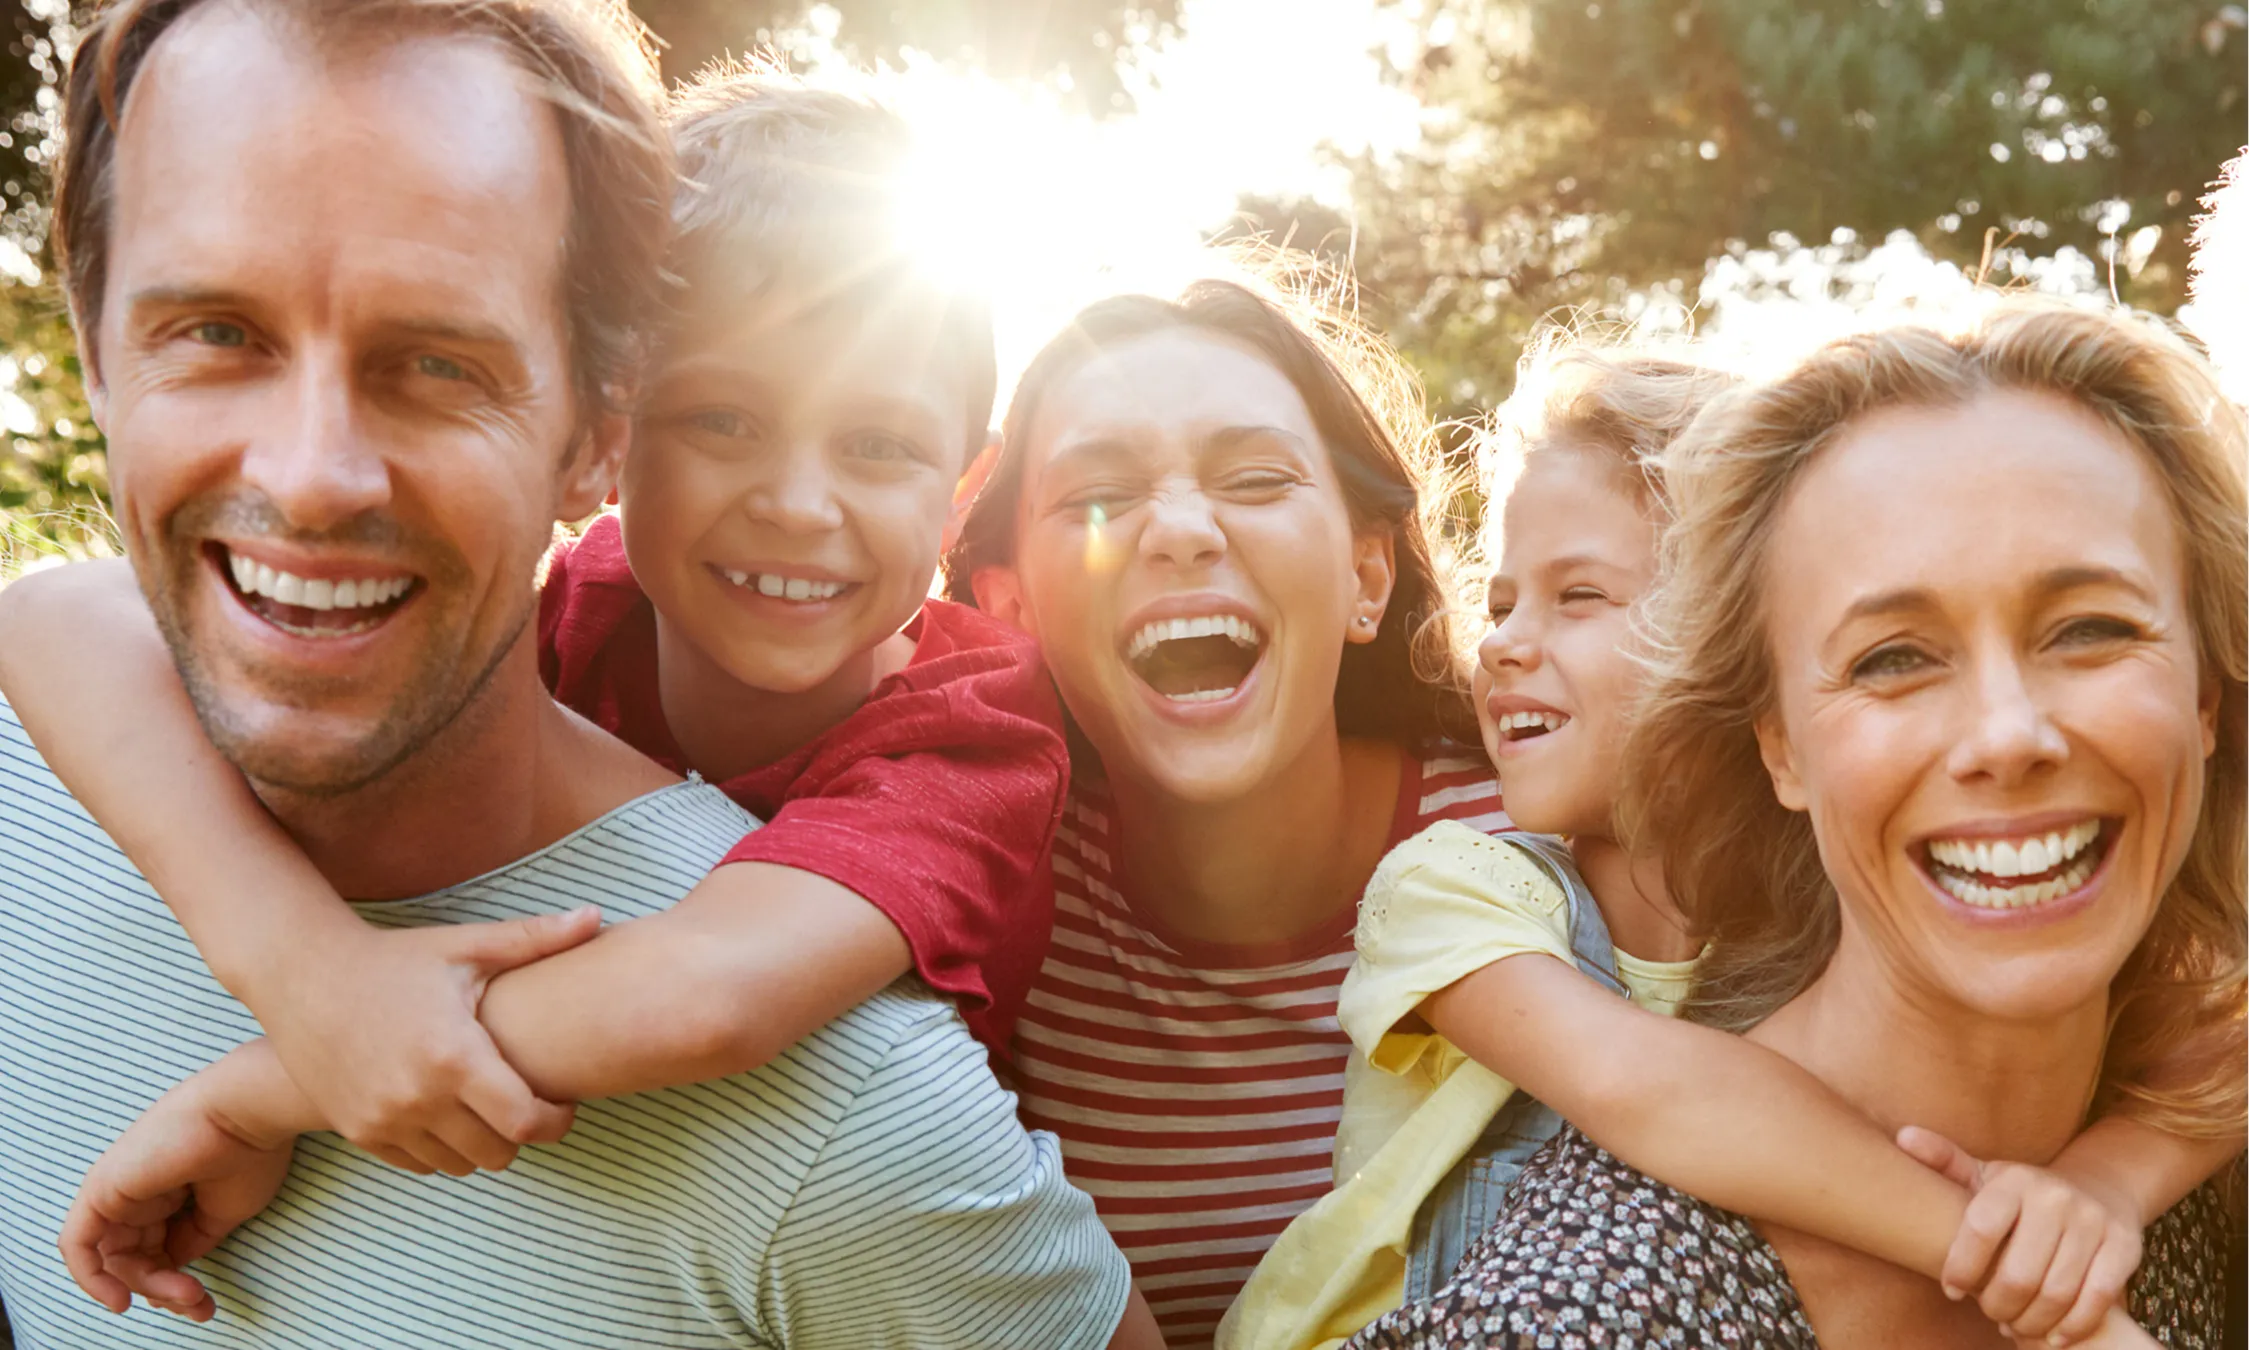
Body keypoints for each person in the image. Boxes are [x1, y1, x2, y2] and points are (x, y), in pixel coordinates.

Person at [0, 2, 1141, 1345]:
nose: (795, 501)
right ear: (624, 442)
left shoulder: (962, 743)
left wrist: (287, 1072)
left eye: (435, 360)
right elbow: (50, 616)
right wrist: (302, 966)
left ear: (961, 491)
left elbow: (710, 995)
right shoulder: (588, 597)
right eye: (718, 419)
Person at [1227, 340, 2237, 1350]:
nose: (2007, 733)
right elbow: (1655, 1091)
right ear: (1774, 740)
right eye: (1891, 656)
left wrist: (2105, 1185)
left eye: (2091, 629)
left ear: (2204, 695)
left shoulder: (1772, 917)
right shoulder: (1462, 889)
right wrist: (2023, 1269)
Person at [945, 272, 1503, 1349]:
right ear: (1007, 606)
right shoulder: (973, 900)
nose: (1181, 530)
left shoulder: (1540, 845)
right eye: (1096, 495)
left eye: (1252, 478)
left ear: (1364, 574)